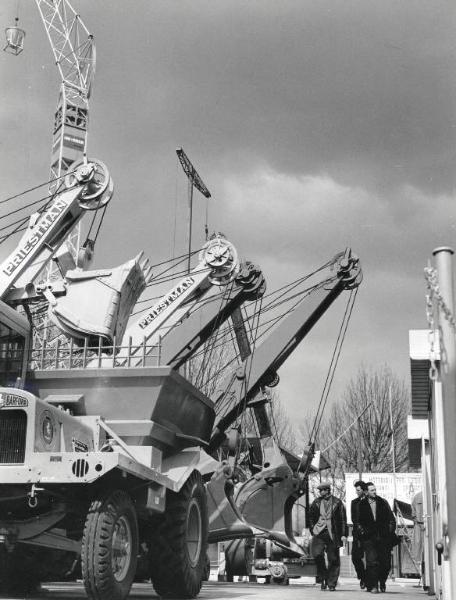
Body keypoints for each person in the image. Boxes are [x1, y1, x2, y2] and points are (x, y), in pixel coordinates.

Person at [308, 482, 348, 592]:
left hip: (333, 533)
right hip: (319, 532)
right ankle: (323, 577)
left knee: (333, 559)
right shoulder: (316, 502)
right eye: (319, 490)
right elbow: (310, 517)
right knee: (317, 554)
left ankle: (332, 583)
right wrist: (312, 529)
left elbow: (343, 520)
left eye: (322, 490)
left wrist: (344, 534)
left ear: (327, 490)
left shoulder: (337, 502)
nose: (320, 492)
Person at [357, 482, 396, 594]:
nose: (374, 492)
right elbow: (358, 522)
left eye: (375, 489)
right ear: (366, 492)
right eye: (372, 490)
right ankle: (374, 585)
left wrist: (389, 531)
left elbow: (391, 520)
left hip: (383, 537)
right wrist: (363, 533)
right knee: (372, 562)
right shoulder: (362, 504)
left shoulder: (383, 502)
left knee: (385, 563)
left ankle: (382, 581)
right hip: (369, 538)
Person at [351, 480, 367, 589]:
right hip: (357, 534)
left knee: (370, 558)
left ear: (363, 490)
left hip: (369, 533)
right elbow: (353, 518)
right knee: (355, 557)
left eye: (358, 490)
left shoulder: (370, 501)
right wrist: (359, 528)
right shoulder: (354, 502)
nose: (357, 492)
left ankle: (369, 580)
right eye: (356, 490)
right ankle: (362, 576)